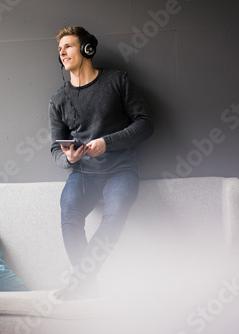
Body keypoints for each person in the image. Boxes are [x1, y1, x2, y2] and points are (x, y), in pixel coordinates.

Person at [49, 26, 154, 300]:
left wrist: (107, 142)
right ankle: (88, 287)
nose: (62, 52)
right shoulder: (58, 99)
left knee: (114, 215)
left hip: (121, 170)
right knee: (68, 215)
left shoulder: (118, 81)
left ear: (87, 49)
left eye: (68, 46)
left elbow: (145, 124)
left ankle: (78, 284)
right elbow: (55, 147)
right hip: (83, 173)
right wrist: (67, 157)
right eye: (59, 49)